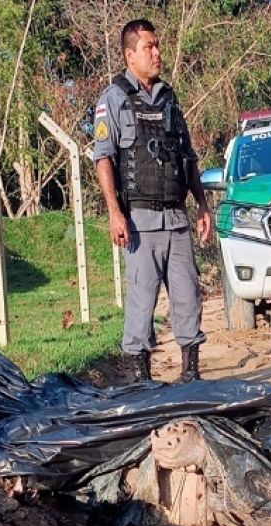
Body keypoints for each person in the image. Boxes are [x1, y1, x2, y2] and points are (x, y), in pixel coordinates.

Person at [93, 19, 212, 383]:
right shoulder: (112, 99)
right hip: (139, 222)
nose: (158, 52)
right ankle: (141, 381)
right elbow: (103, 158)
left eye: (158, 45)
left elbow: (187, 156)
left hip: (176, 219)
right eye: (150, 47)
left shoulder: (170, 99)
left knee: (188, 295)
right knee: (142, 302)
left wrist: (202, 204)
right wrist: (115, 213)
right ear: (131, 55)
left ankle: (191, 374)